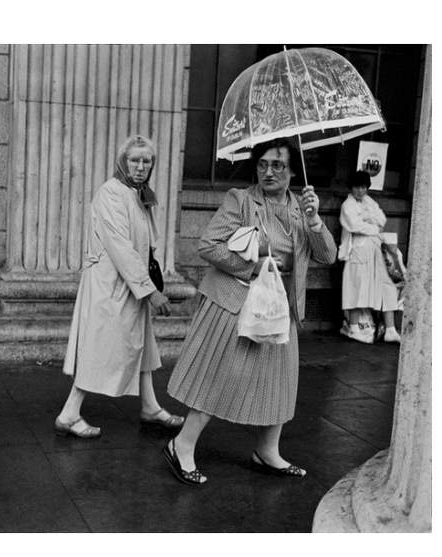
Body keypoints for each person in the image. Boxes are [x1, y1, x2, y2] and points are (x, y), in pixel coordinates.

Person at [163, 138, 337, 484]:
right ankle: (180, 445)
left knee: (280, 381)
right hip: (236, 304)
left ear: (292, 170)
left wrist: (315, 221)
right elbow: (208, 245)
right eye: (262, 164)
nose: (269, 171)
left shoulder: (302, 210)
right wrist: (256, 267)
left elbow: (328, 256)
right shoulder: (240, 200)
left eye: (278, 165)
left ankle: (267, 452)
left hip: (278, 308)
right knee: (220, 376)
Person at [57, 135, 184, 438]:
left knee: (141, 345)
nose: (141, 166)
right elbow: (120, 246)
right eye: (135, 160)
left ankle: (150, 406)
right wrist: (150, 290)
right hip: (111, 286)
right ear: (123, 161)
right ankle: (69, 413)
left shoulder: (139, 194)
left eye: (147, 161)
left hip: (129, 284)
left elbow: (146, 243)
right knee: (100, 348)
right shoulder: (111, 193)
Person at [338, 170, 402, 344]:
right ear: (351, 188)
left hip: (376, 249)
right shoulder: (348, 205)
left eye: (364, 187)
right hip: (357, 250)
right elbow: (354, 225)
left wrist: (368, 218)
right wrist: (371, 225)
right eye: (357, 187)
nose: (361, 191)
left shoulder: (369, 202)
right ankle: (353, 328)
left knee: (386, 284)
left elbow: (381, 219)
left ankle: (390, 329)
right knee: (356, 286)